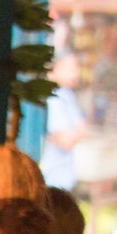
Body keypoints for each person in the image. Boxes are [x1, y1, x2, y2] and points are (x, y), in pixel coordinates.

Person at [40, 51, 88, 191]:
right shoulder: (53, 98)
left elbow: (84, 129)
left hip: (65, 181)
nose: (74, 74)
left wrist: (74, 134)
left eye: (76, 68)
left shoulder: (67, 95)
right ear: (53, 69)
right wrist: (75, 133)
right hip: (51, 180)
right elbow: (65, 141)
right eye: (68, 69)